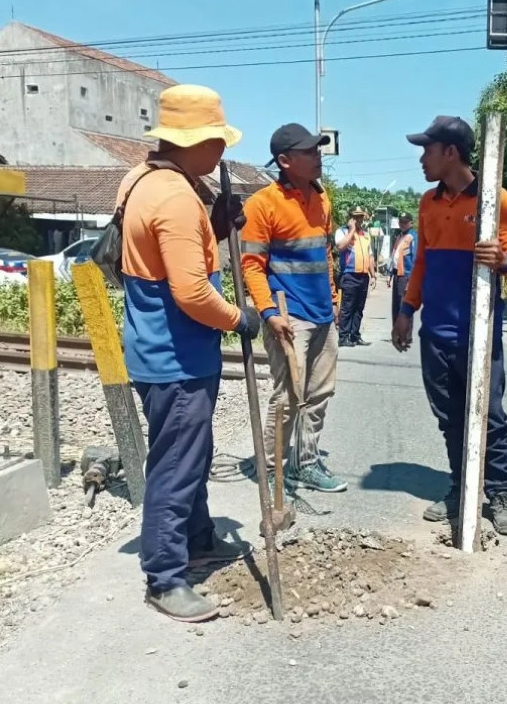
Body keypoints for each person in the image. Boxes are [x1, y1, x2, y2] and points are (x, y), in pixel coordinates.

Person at [119, 84, 262, 623]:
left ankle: (197, 537)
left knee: (190, 455)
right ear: (195, 141)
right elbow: (192, 293)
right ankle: (165, 575)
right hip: (175, 357)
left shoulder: (145, 180)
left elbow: (166, 256)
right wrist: (238, 319)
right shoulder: (176, 198)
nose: (222, 152)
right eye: (217, 141)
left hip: (159, 350)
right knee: (177, 464)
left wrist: (219, 222)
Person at [392, 115, 507, 535]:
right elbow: (423, 261)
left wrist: (502, 261)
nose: (421, 160)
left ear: (451, 152)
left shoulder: (493, 198)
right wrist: (406, 308)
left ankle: (499, 492)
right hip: (436, 332)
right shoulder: (428, 203)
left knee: (490, 415)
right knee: (450, 416)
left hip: (479, 332)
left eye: (427, 150)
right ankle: (459, 487)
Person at [238, 122, 347, 493]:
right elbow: (251, 265)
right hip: (288, 316)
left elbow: (326, 255)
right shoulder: (262, 205)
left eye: (317, 149)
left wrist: (333, 300)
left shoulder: (322, 198)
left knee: (319, 394)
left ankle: (304, 462)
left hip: (321, 314)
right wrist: (269, 313)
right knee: (287, 396)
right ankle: (270, 469)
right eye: (309, 152)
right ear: (285, 161)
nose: (318, 156)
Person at [335, 208, 377, 347]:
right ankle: (343, 337)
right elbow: (340, 246)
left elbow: (370, 255)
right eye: (356, 217)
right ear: (350, 218)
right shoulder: (342, 231)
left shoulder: (365, 235)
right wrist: (351, 230)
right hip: (349, 274)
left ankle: (355, 335)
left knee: (359, 308)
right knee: (347, 307)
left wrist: (373, 274)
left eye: (361, 217)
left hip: (363, 276)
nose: (359, 220)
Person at [389, 212, 417, 318]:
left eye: (405, 222)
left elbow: (415, 260)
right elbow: (394, 256)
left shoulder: (413, 237)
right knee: (396, 308)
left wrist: (411, 282)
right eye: (400, 221)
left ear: (411, 223)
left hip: (406, 276)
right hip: (397, 275)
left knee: (404, 309)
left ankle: (405, 334)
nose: (402, 224)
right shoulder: (400, 236)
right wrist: (390, 274)